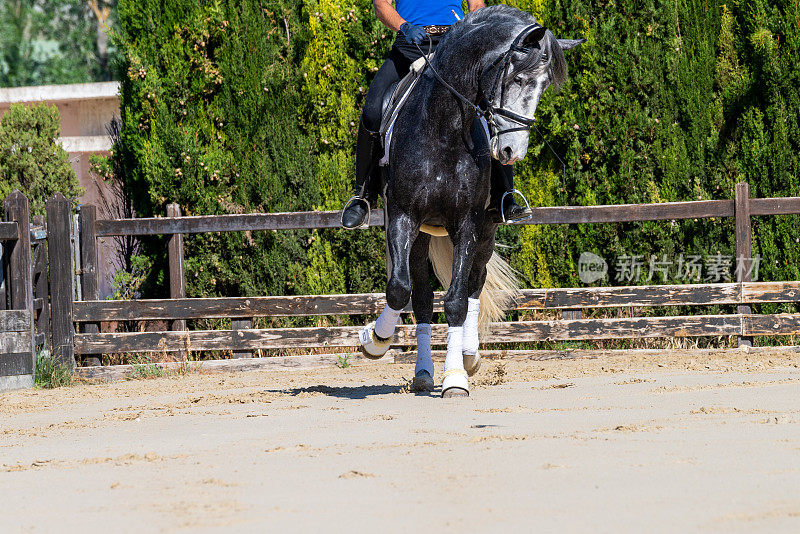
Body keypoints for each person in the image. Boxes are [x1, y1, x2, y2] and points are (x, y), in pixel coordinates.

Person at [341, 0, 532, 228]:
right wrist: (404, 27)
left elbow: (477, 5)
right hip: (411, 45)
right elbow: (381, 7)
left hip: (454, 44)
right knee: (373, 109)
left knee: (490, 105)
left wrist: (468, 31)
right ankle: (362, 196)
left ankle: (504, 195)